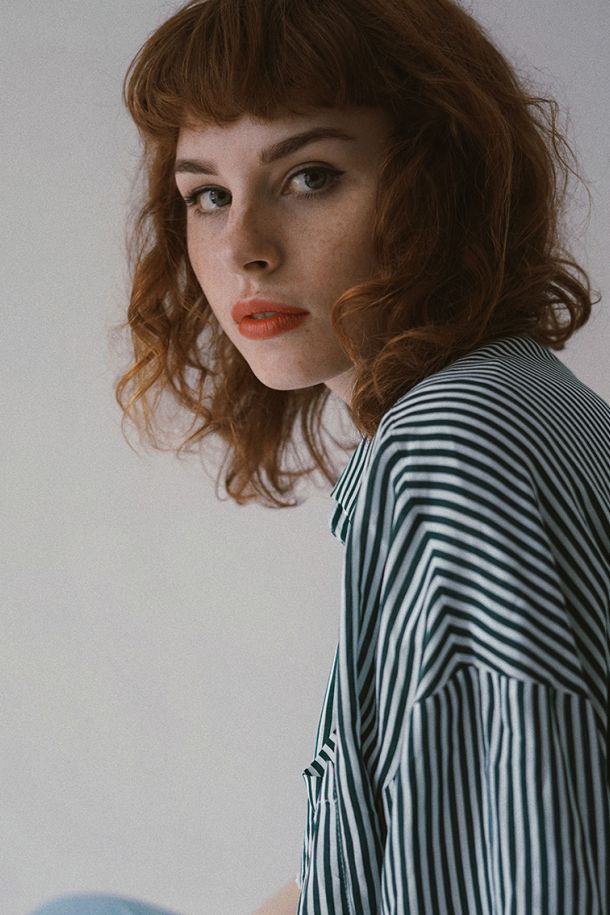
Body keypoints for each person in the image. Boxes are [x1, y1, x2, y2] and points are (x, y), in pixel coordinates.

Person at [30, 0, 609, 913]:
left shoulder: (451, 448)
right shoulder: (517, 397)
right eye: (208, 195)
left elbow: (538, 865)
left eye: (309, 177)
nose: (243, 249)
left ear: (441, 186)